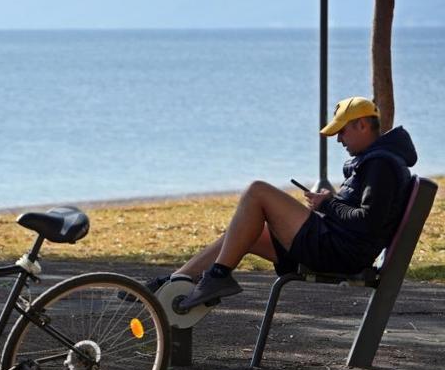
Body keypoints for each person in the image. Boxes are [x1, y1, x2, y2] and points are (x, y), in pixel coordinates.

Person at [152, 96, 418, 310]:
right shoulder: (379, 161)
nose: (338, 140)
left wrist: (327, 204)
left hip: (337, 253)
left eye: (342, 131)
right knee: (242, 234)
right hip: (335, 246)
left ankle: (218, 275)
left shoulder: (381, 164)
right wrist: (328, 204)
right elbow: (367, 217)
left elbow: (367, 221)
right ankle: (178, 280)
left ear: (362, 124)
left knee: (258, 191)